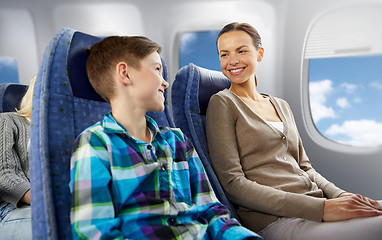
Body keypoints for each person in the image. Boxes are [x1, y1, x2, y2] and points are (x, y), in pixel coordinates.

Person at [69, 35, 260, 239]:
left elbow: (211, 211)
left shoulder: (177, 140)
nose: (165, 83)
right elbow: (94, 232)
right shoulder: (96, 143)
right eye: (157, 70)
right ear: (125, 73)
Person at [205, 22, 382, 240]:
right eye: (224, 54)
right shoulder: (222, 103)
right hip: (277, 220)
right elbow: (234, 184)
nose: (232, 61)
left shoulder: (282, 105)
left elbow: (306, 168)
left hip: (316, 205)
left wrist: (341, 195)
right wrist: (322, 208)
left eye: (241, 51)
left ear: (259, 54)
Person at [0, 75, 36, 240]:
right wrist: (45, 199)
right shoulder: (8, 121)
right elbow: (5, 175)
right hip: (10, 209)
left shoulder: (66, 131)